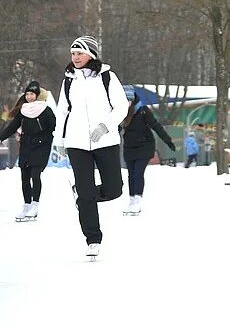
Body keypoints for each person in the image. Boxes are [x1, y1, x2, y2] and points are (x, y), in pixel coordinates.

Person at [56, 36, 128, 258]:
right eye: (73, 53)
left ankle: (83, 194)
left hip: (105, 141)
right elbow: (63, 111)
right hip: (77, 143)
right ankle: (93, 239)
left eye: (79, 53)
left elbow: (121, 106)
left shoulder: (107, 77)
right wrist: (60, 140)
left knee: (114, 189)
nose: (75, 57)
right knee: (87, 193)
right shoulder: (69, 79)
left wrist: (105, 126)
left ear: (91, 55)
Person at [0, 82, 55, 222]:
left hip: (41, 147)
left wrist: (45, 140)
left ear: (37, 96)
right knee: (24, 177)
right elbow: (12, 127)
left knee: (35, 175)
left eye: (32, 94)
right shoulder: (23, 110)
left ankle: (35, 204)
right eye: (27, 94)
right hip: (26, 146)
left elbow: (53, 127)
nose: (29, 97)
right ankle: (27, 204)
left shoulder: (46, 110)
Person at [120, 85, 176, 214]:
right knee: (131, 175)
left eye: (129, 99)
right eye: (124, 100)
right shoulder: (120, 112)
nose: (127, 102)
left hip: (145, 146)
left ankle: (137, 200)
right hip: (129, 147)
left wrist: (168, 140)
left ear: (133, 99)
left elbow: (155, 125)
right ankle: (132, 199)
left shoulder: (143, 110)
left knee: (138, 173)